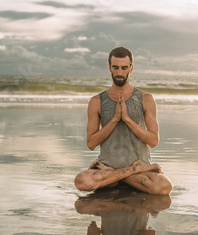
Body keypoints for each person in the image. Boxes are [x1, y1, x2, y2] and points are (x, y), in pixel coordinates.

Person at [74, 47, 173, 195]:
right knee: (81, 181)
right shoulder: (96, 101)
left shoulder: (146, 99)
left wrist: (127, 119)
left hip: (116, 175)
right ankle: (129, 172)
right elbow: (91, 143)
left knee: (164, 186)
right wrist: (114, 119)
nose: (119, 73)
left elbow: (153, 141)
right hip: (111, 168)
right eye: (115, 67)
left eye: (124, 68)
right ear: (109, 67)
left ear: (131, 68)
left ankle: (119, 175)